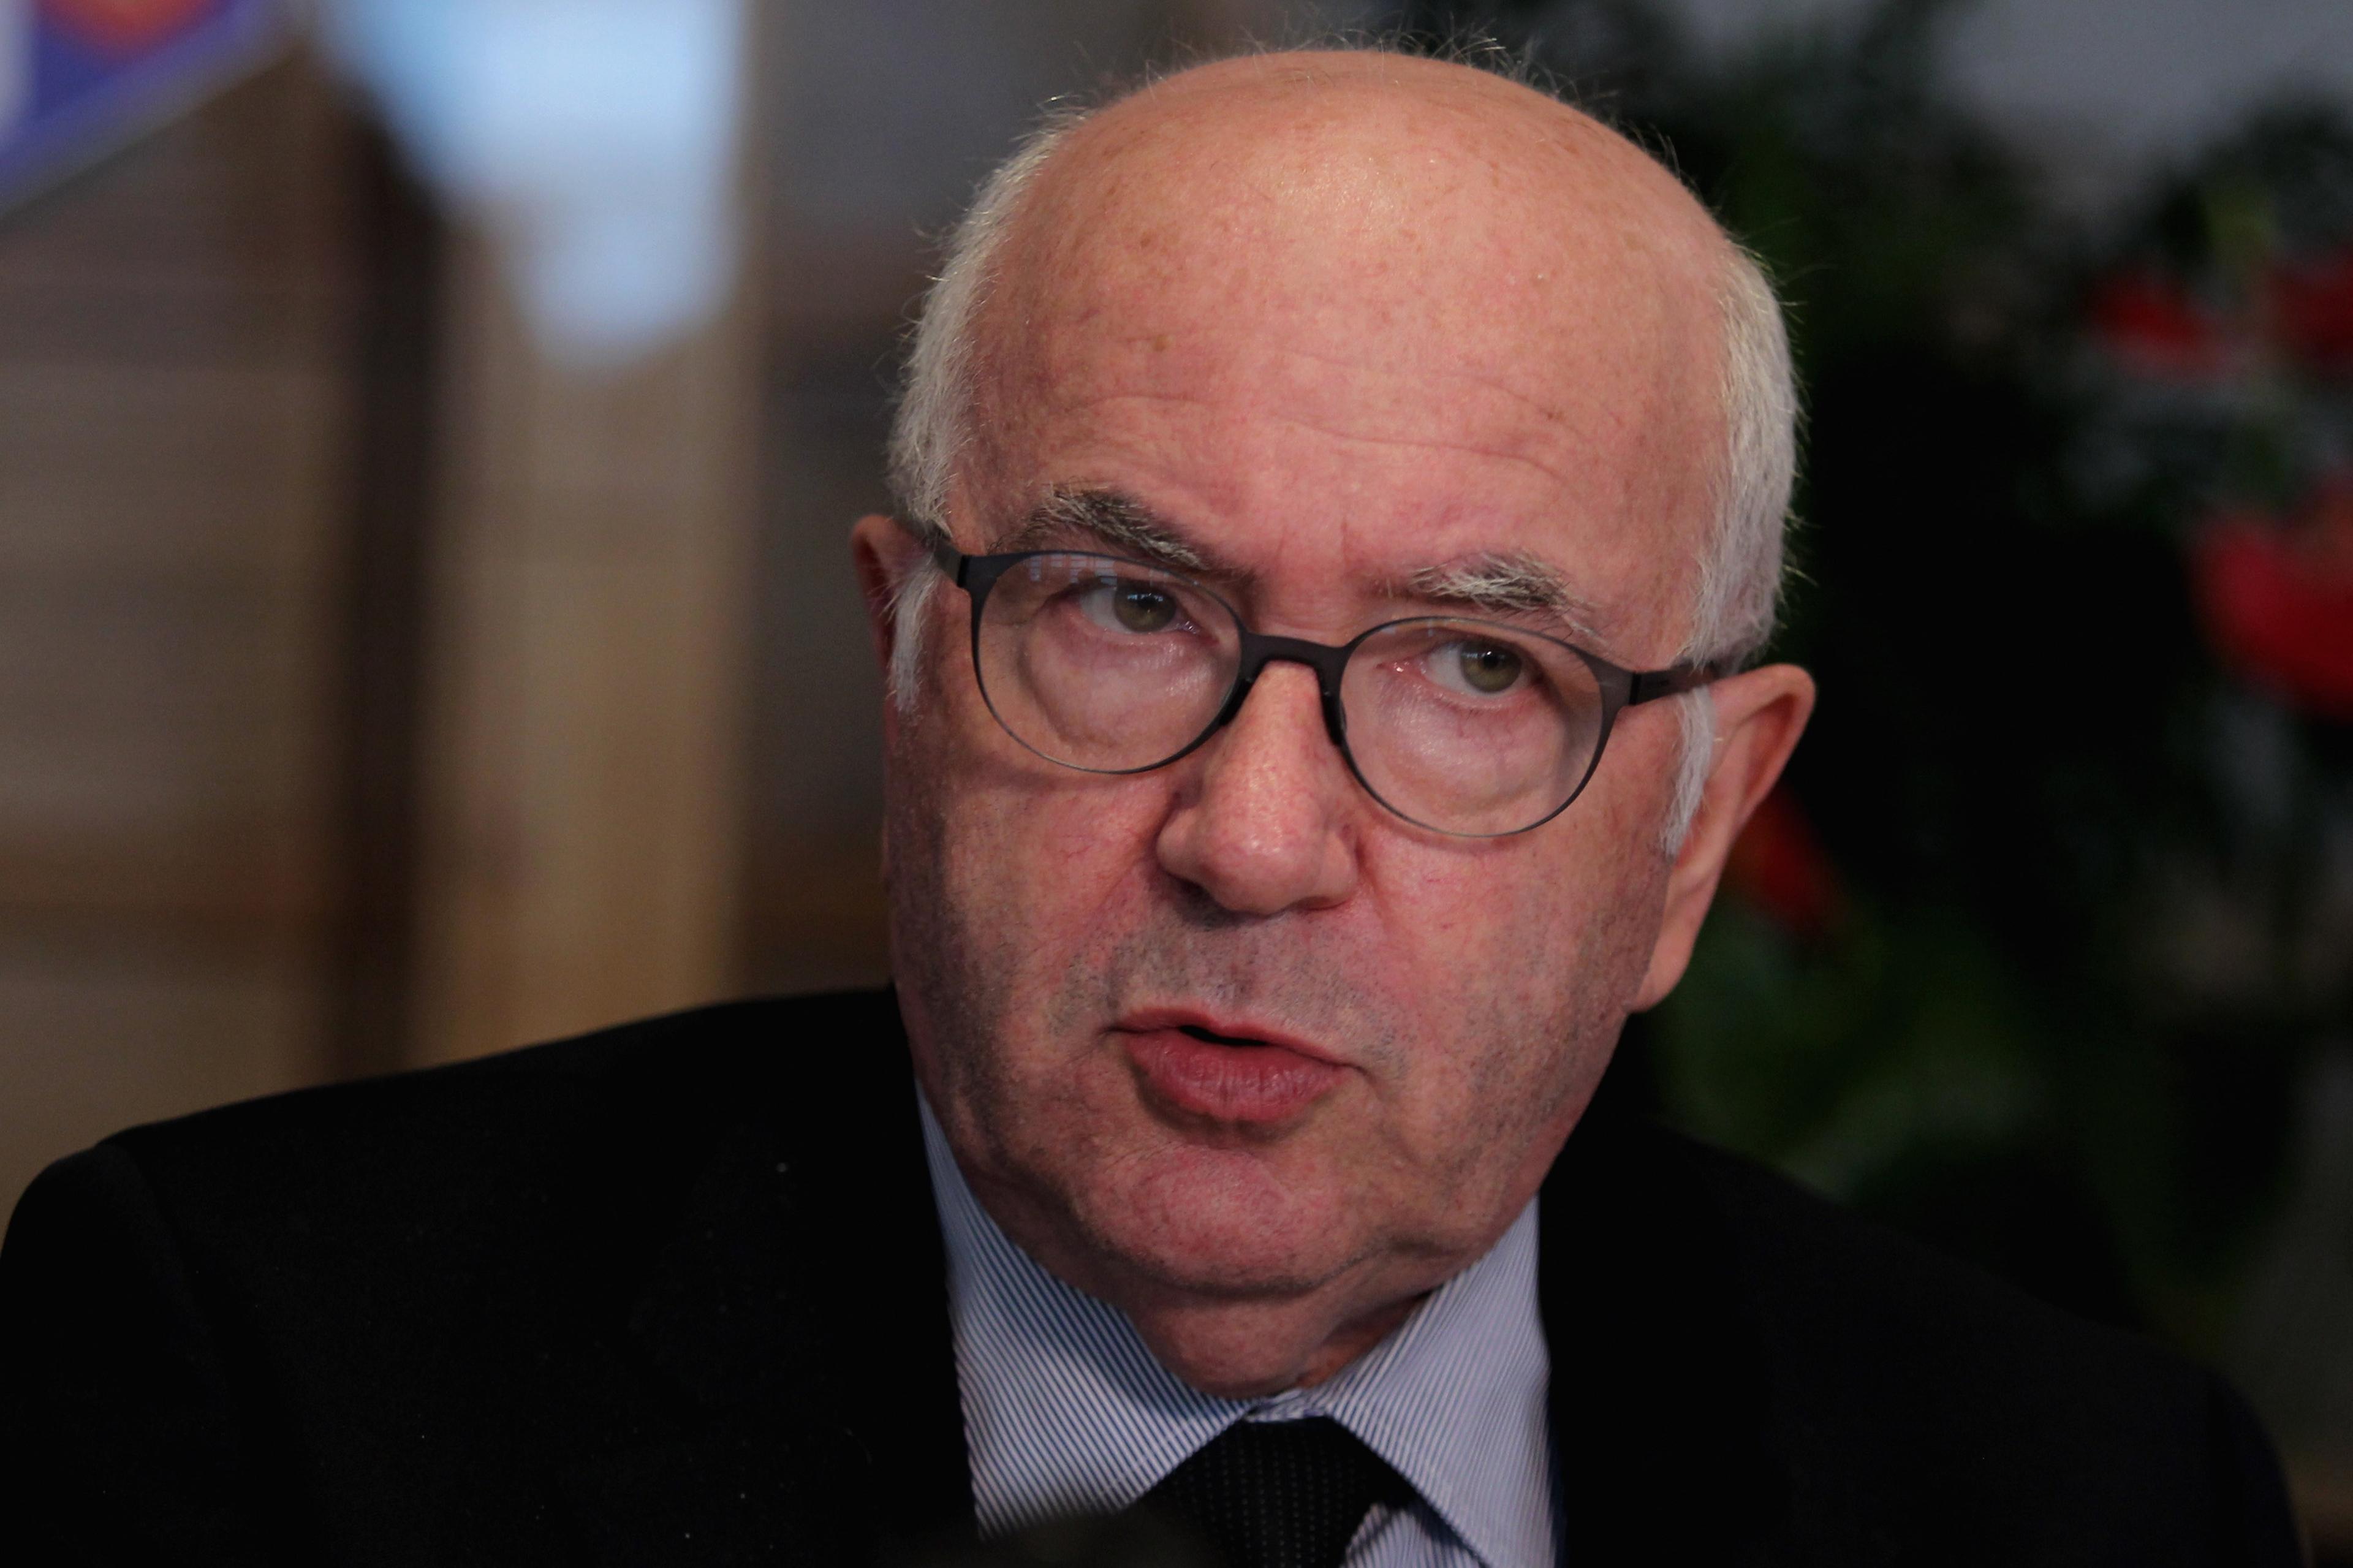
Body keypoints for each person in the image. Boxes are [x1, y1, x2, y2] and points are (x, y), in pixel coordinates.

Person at [0, 45, 2302, 1568]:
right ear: (907, 660)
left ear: (1701, 824)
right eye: (1127, 607)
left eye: (1477, 668)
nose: (1255, 838)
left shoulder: (2083, 1507)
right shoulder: (255, 1394)